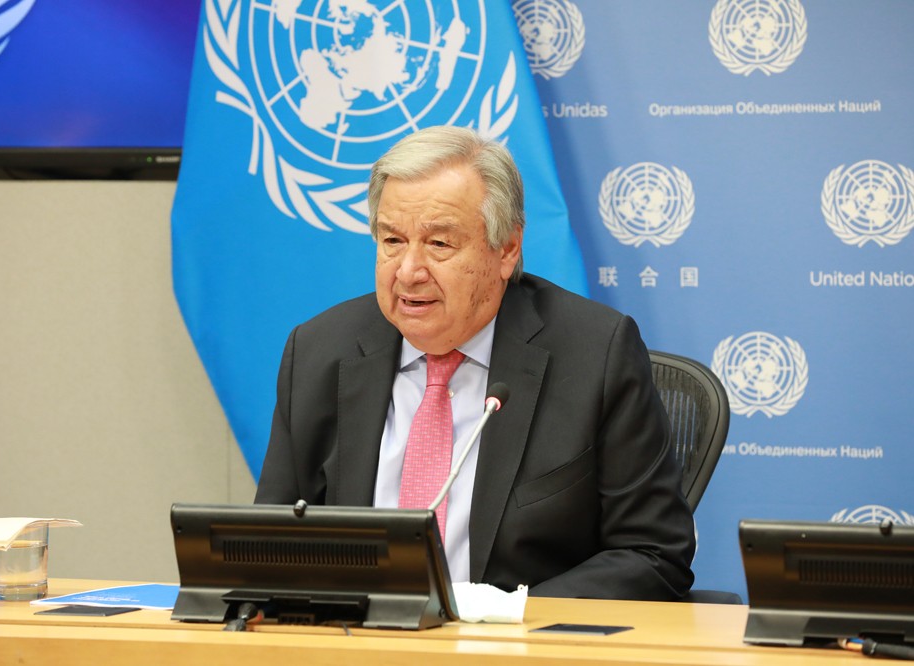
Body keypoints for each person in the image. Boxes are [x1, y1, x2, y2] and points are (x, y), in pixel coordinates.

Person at [255, 125, 696, 601]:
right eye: (392, 241)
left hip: (521, 637)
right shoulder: (320, 351)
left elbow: (653, 554)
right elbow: (271, 543)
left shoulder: (595, 354)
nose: (408, 271)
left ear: (506, 249)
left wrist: (506, 614)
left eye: (439, 244)